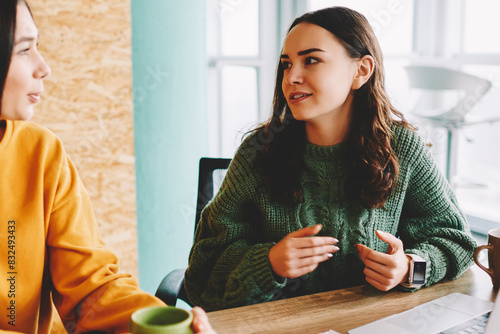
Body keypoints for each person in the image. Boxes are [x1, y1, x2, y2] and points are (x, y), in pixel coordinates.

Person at [184, 6, 477, 311]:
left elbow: (457, 241)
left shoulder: (403, 148)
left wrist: (408, 269)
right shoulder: (258, 152)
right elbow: (202, 275)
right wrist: (268, 263)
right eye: (286, 64)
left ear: (361, 71)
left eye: (311, 60)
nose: (292, 77)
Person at [0, 1, 216, 333]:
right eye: (24, 49)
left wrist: (160, 323)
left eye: (37, 47)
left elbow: (90, 289)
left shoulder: (41, 153)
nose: (44, 67)